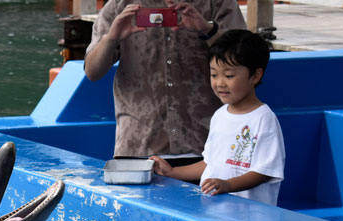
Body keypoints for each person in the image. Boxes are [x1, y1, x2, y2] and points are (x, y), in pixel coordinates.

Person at [84, 0, 246, 164]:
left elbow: (245, 61)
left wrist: (207, 30)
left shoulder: (218, 3)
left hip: (208, 145)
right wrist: (111, 38)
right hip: (137, 147)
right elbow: (92, 72)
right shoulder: (118, 6)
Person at [150, 29, 285, 206]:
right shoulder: (220, 115)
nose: (220, 83)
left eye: (229, 75)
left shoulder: (263, 118)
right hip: (216, 215)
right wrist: (172, 172)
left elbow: (264, 170)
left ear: (256, 75)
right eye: (214, 74)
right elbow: (210, 164)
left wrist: (228, 185)